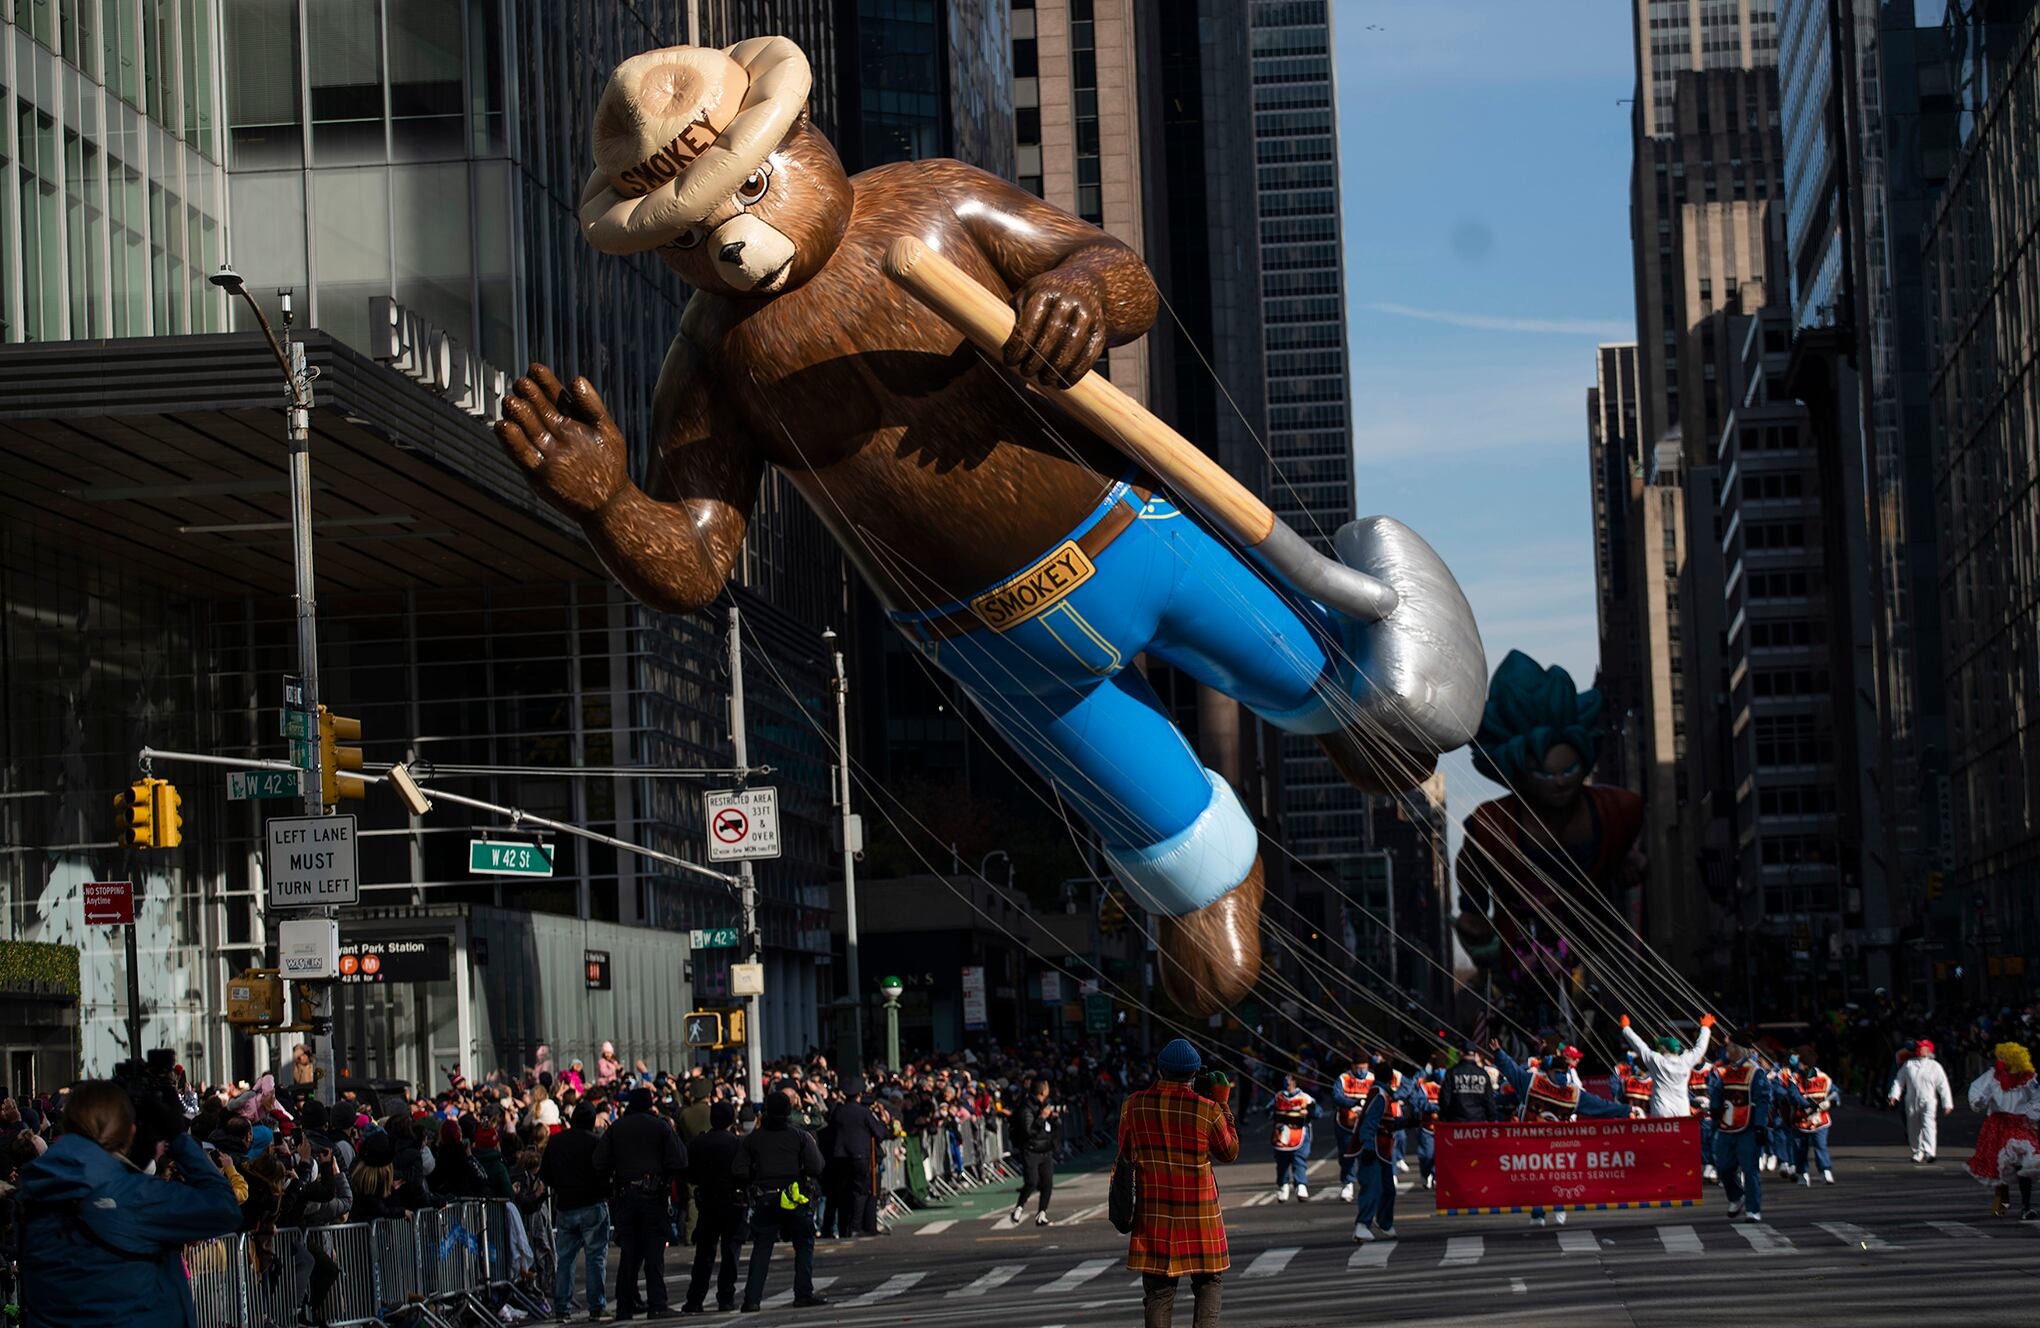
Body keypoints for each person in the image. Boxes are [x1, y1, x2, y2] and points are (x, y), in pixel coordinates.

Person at [17, 1080, 242, 1327]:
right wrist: (177, 1136)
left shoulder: (37, 1190)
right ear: (128, 1130)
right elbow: (224, 1207)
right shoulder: (134, 1196)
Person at [1118, 1038, 1238, 1328]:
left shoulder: (1133, 1105)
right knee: (1209, 1281)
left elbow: (1124, 1152)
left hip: (1154, 1212)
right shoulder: (1207, 1109)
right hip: (1200, 1212)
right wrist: (1222, 1102)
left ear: (1160, 1070)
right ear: (1194, 1074)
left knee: (1159, 1292)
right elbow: (1229, 1152)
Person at [1491, 1040, 1626, 1226]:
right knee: (1537, 1180)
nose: (1561, 1076)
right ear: (1549, 1072)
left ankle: (1557, 1208)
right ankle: (1538, 1214)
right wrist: (1499, 1053)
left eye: (1564, 1072)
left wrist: (1625, 1110)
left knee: (1557, 1178)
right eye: (1558, 1072)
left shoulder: (1570, 1092)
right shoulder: (1533, 1083)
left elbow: (1601, 1107)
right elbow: (1512, 1071)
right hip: (1533, 1144)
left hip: (1556, 1145)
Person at [596, 1085, 689, 1320]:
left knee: (629, 1253)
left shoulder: (617, 1128)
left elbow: (599, 1161)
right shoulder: (659, 1126)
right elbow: (680, 1159)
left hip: (626, 1195)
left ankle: (624, 1305)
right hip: (653, 1195)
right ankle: (657, 1303)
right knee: (654, 1253)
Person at [735, 1090, 829, 1311]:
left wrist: (756, 1177)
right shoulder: (799, 1136)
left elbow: (738, 1170)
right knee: (804, 1244)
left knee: (761, 1249)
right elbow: (816, 1166)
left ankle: (752, 1299)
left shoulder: (754, 1138)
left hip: (765, 1197)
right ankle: (803, 1293)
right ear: (788, 1112)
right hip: (793, 1197)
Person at [542, 1101, 612, 1322]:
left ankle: (562, 1308)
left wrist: (562, 1186)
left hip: (566, 1205)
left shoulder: (556, 1142)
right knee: (595, 1258)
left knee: (565, 1260)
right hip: (592, 1203)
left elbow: (546, 1174)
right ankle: (596, 1307)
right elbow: (605, 1172)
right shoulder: (595, 1142)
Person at [1349, 1055, 1429, 1242]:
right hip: (1374, 1149)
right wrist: (1368, 1147)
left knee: (1388, 1189)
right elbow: (1369, 1124)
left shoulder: (1382, 1094)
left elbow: (1387, 1122)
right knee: (1372, 1188)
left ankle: (1384, 1222)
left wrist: (1406, 1122)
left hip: (1383, 1150)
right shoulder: (1379, 1095)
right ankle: (1362, 1225)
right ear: (1390, 1078)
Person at [684, 1102, 747, 1313]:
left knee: (704, 1254)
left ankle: (695, 1299)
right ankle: (726, 1297)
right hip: (732, 1201)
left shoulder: (698, 1143)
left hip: (708, 1202)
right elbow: (745, 1173)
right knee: (731, 1253)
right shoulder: (737, 1143)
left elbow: (690, 1174)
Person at [1964, 1041, 2040, 1218]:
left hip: (2020, 1124)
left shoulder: (2028, 1079)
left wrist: (2030, 1113)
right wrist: (1979, 1101)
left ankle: (2026, 1207)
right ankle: (2003, 1201)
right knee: (2000, 1165)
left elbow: (2037, 1100)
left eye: (2004, 1057)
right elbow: (1978, 1093)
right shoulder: (1992, 1077)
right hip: (1998, 1124)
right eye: (2000, 1056)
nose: (2000, 1060)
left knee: (2025, 1164)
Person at [1708, 1042, 1775, 1222]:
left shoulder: (1755, 1071)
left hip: (1748, 1128)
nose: (1726, 1052)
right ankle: (1736, 1196)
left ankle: (1753, 1209)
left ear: (1738, 1050)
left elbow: (1763, 1100)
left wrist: (1760, 1125)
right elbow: (1717, 1091)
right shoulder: (1724, 1070)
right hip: (1726, 1126)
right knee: (1723, 1166)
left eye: (1730, 1049)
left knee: (1749, 1170)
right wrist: (1714, 1109)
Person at [822, 1080, 888, 1237]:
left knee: (843, 1192)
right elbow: (880, 1133)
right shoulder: (864, 1112)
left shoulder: (838, 1111)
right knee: (860, 1191)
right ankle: (855, 1227)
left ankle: (843, 1227)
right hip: (860, 1156)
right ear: (859, 1096)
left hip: (840, 1156)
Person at [1890, 1037, 1954, 1162]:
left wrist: (1947, 1104)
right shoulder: (1909, 1064)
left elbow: (1943, 1085)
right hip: (1911, 1100)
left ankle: (1930, 1152)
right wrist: (1894, 1095)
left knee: (1928, 1124)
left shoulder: (1935, 1066)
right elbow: (1899, 1081)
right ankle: (1918, 1151)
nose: (1919, 1049)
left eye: (1922, 1047)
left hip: (1928, 1099)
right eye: (1918, 1047)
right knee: (1913, 1126)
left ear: (1928, 1050)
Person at [1780, 1046, 1837, 1186]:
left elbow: (1835, 1093)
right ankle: (1802, 1173)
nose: (1797, 1064)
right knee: (1800, 1148)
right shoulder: (1795, 1078)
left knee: (1820, 1145)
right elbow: (1793, 1095)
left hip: (1820, 1120)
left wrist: (1829, 1103)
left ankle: (1825, 1171)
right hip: (1801, 1120)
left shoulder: (1823, 1077)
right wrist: (1806, 1104)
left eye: (1800, 1061)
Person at [1012, 1077, 1060, 1225]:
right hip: (1031, 1149)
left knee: (1047, 1182)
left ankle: (1042, 1213)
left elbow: (1053, 1125)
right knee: (1031, 1181)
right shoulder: (1026, 1107)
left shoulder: (1044, 1104)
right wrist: (1042, 1117)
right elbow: (1029, 1130)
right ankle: (1019, 1207)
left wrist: (1053, 1118)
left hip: (1045, 1148)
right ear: (1043, 1090)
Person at [1329, 1051, 1374, 1202]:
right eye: (1358, 1068)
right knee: (1347, 1153)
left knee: (1367, 1154)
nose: (1361, 1071)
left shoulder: (1373, 1079)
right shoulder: (1343, 1079)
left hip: (1367, 1124)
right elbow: (1336, 1096)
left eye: (1364, 1068)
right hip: (1346, 1124)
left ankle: (1366, 1183)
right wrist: (1353, 1103)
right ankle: (1348, 1183)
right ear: (1353, 1066)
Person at [1269, 1074, 1316, 1202]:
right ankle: (1283, 1185)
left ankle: (1301, 1185)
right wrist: (1276, 1111)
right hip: (1281, 1134)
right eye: (1286, 1080)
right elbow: (1268, 1112)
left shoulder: (1305, 1097)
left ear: (1295, 1082)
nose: (1287, 1082)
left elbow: (1317, 1112)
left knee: (1298, 1159)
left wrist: (1309, 1111)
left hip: (1299, 1133)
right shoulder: (1278, 1097)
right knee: (1281, 1162)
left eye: (1290, 1080)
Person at [1439, 1045, 1496, 1124]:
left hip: (1456, 1123)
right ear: (1475, 1055)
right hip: (1478, 1123)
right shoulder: (1483, 1074)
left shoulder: (1452, 1072)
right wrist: (1491, 1120)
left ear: (1461, 1053)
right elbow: (1489, 1101)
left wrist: (1446, 1118)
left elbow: (1444, 1099)